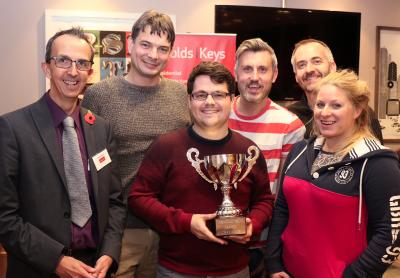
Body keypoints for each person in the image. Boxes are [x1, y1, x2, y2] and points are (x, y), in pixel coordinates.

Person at [129, 61, 274, 277]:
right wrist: (188, 222)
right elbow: (138, 198)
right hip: (176, 271)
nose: (209, 102)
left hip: (235, 271)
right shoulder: (166, 147)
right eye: (200, 95)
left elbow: (264, 200)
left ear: (231, 99)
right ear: (189, 100)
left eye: (218, 94)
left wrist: (252, 224)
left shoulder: (248, 151)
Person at [0, 27, 126, 278]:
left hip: (95, 268)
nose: (73, 71)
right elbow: (5, 217)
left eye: (81, 63)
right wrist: (55, 260)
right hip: (38, 268)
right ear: (46, 68)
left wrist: (109, 253)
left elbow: (115, 201)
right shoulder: (12, 128)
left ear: (90, 72)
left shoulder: (101, 129)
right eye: (63, 61)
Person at [82, 10, 190, 278]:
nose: (153, 55)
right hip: (120, 230)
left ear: (170, 53)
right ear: (130, 44)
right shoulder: (99, 95)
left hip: (169, 228)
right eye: (146, 44)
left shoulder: (180, 94)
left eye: (162, 48)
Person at [266, 69, 400, 278]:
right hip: (288, 272)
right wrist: (274, 263)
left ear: (357, 109)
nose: (324, 112)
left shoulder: (377, 163)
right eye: (320, 105)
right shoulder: (299, 150)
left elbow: (391, 235)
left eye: (336, 105)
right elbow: (282, 208)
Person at [228, 38, 305, 277]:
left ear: (274, 75)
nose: (255, 77)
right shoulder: (216, 115)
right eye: (247, 69)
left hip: (264, 246)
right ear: (236, 72)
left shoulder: (290, 126)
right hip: (218, 243)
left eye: (262, 69)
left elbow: (284, 194)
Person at [287, 38, 383, 142]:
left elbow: (377, 155)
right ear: (296, 75)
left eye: (317, 61)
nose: (309, 69)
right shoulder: (288, 117)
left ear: (332, 67)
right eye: (302, 65)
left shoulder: (360, 112)